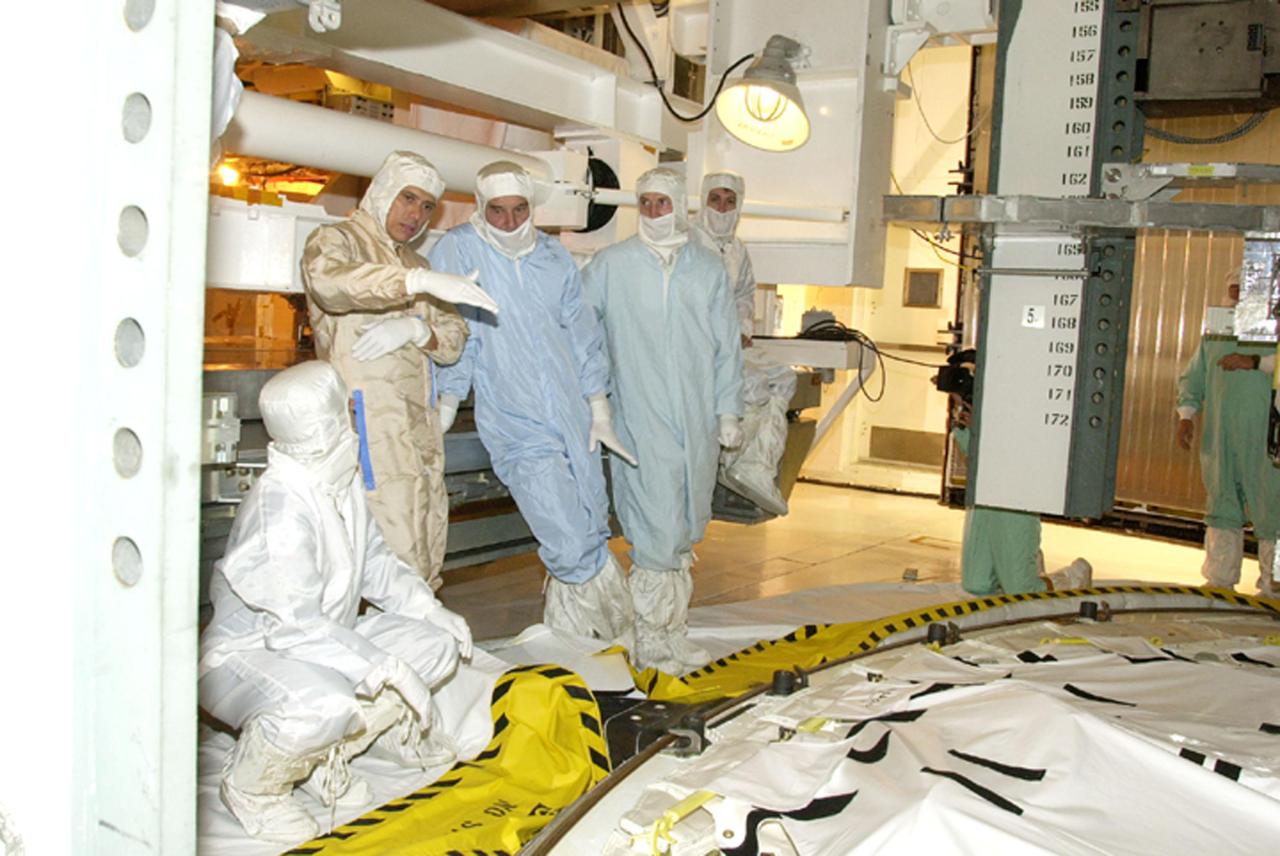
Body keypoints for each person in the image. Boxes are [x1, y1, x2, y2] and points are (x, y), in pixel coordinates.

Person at [199, 361, 475, 843]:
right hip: (253, 656)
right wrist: (386, 669)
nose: (351, 422)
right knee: (323, 703)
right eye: (340, 415)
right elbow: (296, 628)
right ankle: (253, 788)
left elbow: (375, 563)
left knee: (434, 646)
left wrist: (428, 608)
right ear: (323, 428)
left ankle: (342, 751)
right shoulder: (279, 509)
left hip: (324, 640)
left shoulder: (336, 476)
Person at [428, 161, 638, 644]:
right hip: (513, 414)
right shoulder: (458, 249)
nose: (507, 222)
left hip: (572, 410)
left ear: (532, 207)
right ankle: (588, 635)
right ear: (480, 207)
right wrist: (447, 401)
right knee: (565, 535)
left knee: (590, 521)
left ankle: (594, 645)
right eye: (496, 211)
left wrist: (598, 405)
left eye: (518, 209)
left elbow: (581, 331)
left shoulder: (551, 255)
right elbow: (458, 329)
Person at [301, 150, 498, 590]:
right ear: (384, 191)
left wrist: (416, 329)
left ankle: (421, 637)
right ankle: (397, 641)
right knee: (384, 544)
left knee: (426, 528)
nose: (416, 214)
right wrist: (413, 287)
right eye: (408, 198)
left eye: (428, 206)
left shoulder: (417, 263)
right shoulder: (337, 241)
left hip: (417, 424)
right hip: (368, 419)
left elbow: (452, 340)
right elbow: (332, 285)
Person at [582, 167, 744, 673]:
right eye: (646, 203)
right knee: (654, 527)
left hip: (696, 420)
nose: (654, 212)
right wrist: (596, 403)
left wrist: (727, 410)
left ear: (680, 205)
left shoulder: (707, 269)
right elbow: (582, 337)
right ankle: (649, 635)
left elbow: (726, 349)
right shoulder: (611, 266)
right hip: (639, 415)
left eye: (662, 203)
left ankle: (672, 629)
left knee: (685, 528)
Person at [690, 170, 797, 516]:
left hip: (733, 342)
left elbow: (744, 293)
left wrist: (743, 328)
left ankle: (757, 466)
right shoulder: (687, 243)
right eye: (715, 199)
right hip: (698, 345)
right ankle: (730, 459)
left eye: (730, 201)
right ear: (703, 201)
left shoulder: (737, 250)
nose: (722, 207)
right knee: (751, 387)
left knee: (784, 377)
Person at [1177, 271, 1280, 596]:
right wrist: (1186, 415)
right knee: (1222, 507)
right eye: (1233, 293)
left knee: (1274, 509)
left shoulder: (1271, 332)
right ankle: (1220, 581)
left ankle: (1275, 584)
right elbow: (1193, 378)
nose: (1236, 300)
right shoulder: (1216, 335)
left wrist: (1254, 361)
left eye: (1243, 294)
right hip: (1221, 440)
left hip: (1265, 437)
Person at [946, 383, 1091, 595]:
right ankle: (1023, 563)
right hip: (984, 501)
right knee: (976, 584)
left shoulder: (1024, 398)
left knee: (1021, 590)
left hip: (1014, 497)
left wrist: (988, 427)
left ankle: (1074, 576)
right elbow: (975, 461)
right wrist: (969, 427)